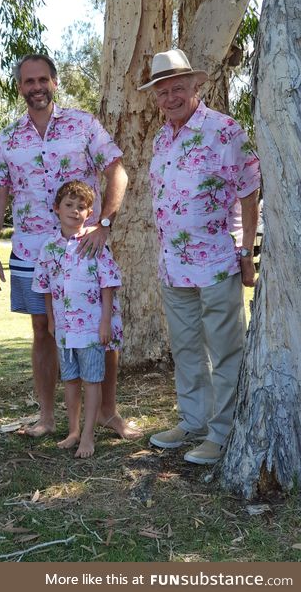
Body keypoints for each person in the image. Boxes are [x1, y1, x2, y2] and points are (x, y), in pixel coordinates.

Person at [0, 53, 138, 439]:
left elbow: (116, 170)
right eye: (27, 81)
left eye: (42, 80)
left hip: (86, 250)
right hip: (32, 250)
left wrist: (104, 224)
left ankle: (107, 411)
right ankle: (49, 418)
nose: (35, 87)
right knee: (43, 331)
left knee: (101, 334)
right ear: (20, 87)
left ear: (54, 82)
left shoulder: (83, 125)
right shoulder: (8, 138)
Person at [138, 49, 260, 464]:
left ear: (195, 87)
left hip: (217, 262)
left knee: (225, 349)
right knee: (187, 348)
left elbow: (248, 190)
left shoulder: (223, 131)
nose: (170, 97)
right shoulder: (160, 138)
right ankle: (193, 421)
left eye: (177, 88)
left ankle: (222, 432)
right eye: (162, 91)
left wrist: (246, 252)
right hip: (173, 265)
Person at [32, 180, 123, 458]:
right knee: (70, 379)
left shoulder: (94, 243)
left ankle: (88, 436)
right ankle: (73, 431)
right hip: (64, 328)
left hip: (92, 329)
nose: (74, 211)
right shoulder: (49, 248)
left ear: (90, 212)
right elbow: (45, 286)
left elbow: (108, 285)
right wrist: (50, 319)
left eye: (81, 207)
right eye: (69, 205)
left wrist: (106, 322)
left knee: (91, 380)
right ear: (56, 209)